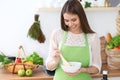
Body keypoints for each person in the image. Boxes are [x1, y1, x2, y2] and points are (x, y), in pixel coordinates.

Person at [45, 0, 101, 80]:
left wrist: (83, 70)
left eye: (74, 20)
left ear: (81, 17)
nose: (70, 24)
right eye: (66, 20)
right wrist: (55, 61)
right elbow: (49, 66)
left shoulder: (93, 37)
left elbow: (97, 68)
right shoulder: (58, 34)